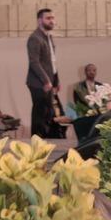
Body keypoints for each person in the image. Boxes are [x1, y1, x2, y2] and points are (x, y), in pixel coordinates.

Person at [25, 8, 66, 138]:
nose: (52, 21)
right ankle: (37, 139)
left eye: (53, 18)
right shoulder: (35, 38)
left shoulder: (48, 37)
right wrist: (46, 80)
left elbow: (52, 61)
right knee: (40, 112)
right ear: (39, 21)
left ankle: (46, 139)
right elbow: (34, 62)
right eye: (48, 18)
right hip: (38, 82)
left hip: (49, 81)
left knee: (48, 112)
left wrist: (56, 81)